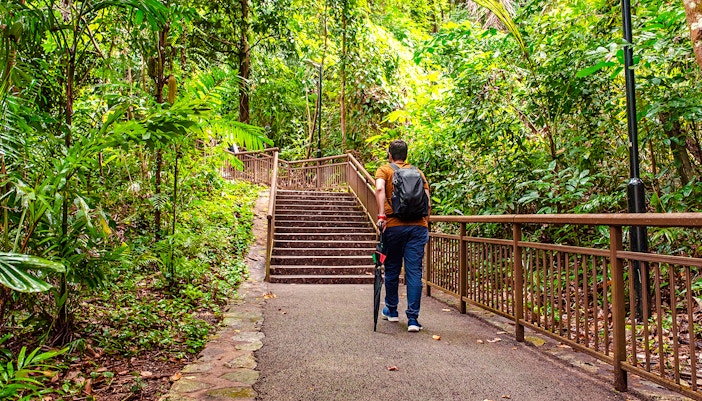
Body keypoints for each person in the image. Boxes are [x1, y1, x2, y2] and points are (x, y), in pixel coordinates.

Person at [375, 139, 430, 332]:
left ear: (390, 155)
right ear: (406, 155)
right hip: (417, 227)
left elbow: (380, 188)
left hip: (394, 225)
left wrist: (382, 215)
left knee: (392, 268)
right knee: (414, 271)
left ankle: (392, 310)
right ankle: (413, 320)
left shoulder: (385, 170)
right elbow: (427, 200)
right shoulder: (418, 172)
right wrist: (425, 223)